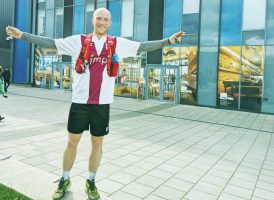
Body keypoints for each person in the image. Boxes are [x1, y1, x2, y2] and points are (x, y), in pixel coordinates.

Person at [6, 7, 185, 200]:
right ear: (93, 21)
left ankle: (91, 181)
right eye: (98, 18)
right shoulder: (79, 41)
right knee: (71, 142)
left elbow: (142, 46)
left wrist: (167, 41)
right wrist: (22, 35)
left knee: (97, 144)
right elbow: (50, 42)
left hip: (102, 104)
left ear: (109, 23)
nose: (101, 22)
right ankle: (64, 179)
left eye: (105, 19)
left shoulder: (117, 43)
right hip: (80, 103)